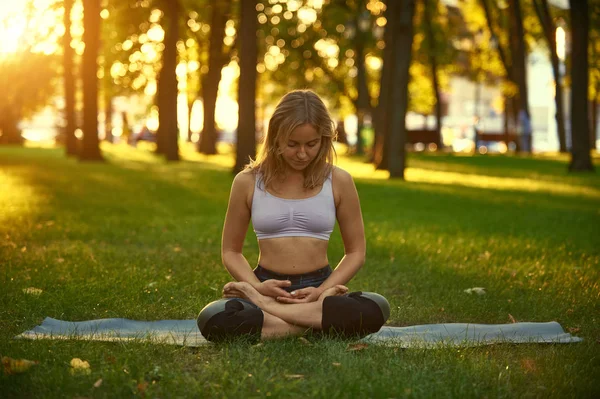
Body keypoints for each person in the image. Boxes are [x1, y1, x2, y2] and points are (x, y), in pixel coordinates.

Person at [197, 90, 390, 342]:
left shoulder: (339, 181)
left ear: (324, 139)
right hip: (266, 285)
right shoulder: (247, 182)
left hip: (317, 289)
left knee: (376, 307)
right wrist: (257, 288)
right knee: (213, 318)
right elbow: (230, 251)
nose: (302, 154)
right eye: (292, 144)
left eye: (311, 144)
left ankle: (277, 320)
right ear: (275, 138)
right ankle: (316, 325)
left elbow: (356, 252)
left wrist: (322, 292)